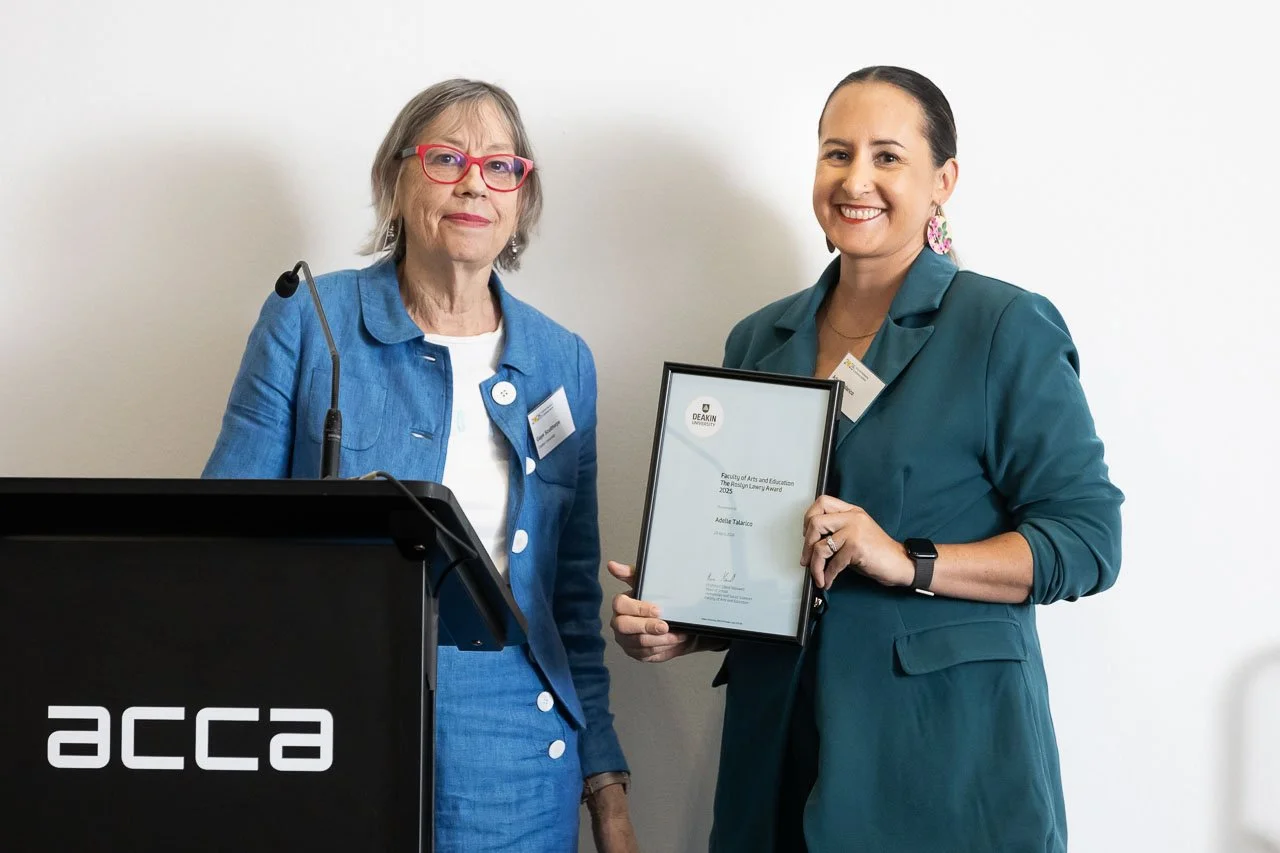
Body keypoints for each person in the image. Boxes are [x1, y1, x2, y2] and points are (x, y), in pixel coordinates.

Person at [609, 66, 1123, 852]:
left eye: (888, 156)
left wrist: (905, 558)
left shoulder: (1003, 326)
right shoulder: (760, 340)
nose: (856, 179)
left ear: (942, 181)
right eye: (835, 152)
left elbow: (1088, 541)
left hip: (942, 761)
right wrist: (685, 619)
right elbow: (761, 554)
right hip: (777, 753)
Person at [203, 79, 637, 853]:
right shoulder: (313, 321)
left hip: (518, 758)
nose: (475, 180)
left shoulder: (562, 360)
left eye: (502, 166)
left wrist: (606, 786)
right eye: (447, 158)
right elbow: (223, 542)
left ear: (520, 201)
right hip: (334, 722)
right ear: (395, 181)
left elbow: (570, 599)